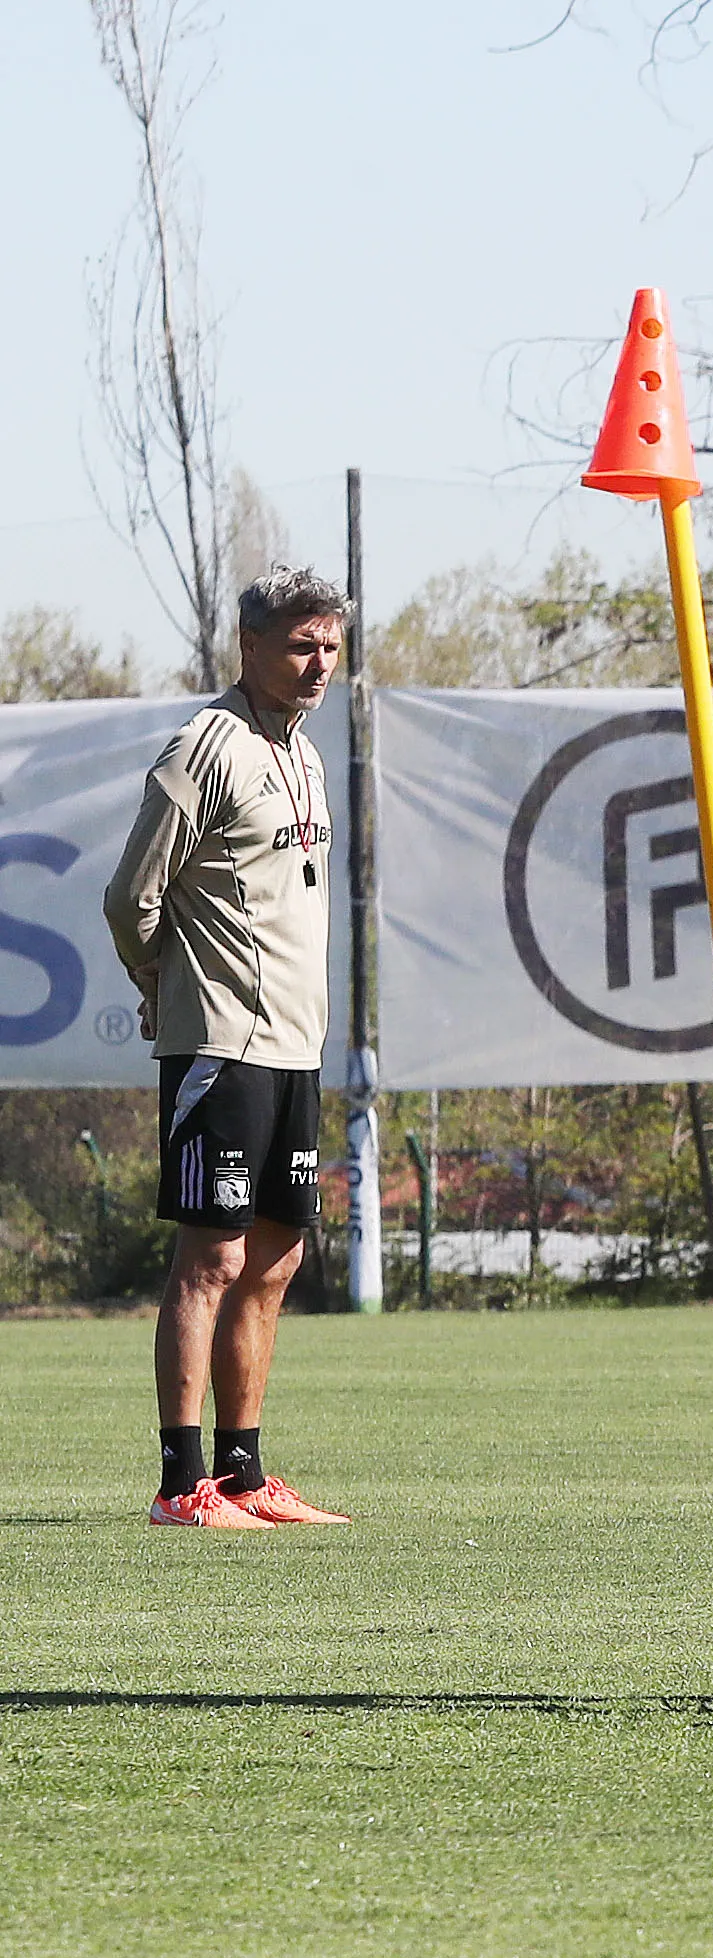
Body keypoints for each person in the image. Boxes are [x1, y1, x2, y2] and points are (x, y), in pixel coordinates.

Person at [104, 569, 356, 1530]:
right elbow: (132, 896)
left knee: (279, 1254)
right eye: (302, 645)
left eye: (330, 645)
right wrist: (160, 986)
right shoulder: (204, 746)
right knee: (210, 1255)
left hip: (296, 1044)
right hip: (221, 1039)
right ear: (249, 645)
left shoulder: (304, 754)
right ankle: (180, 1485)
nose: (319, 663)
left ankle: (244, 1476)